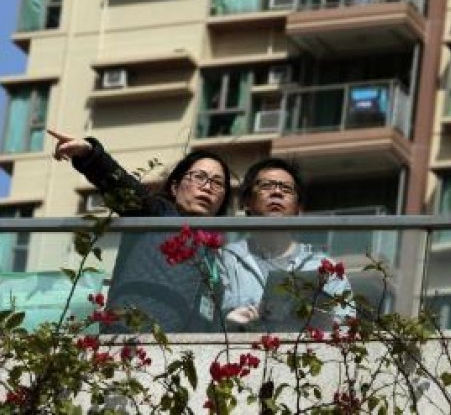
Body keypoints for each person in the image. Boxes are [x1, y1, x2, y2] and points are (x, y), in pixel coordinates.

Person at [49, 129, 233, 332]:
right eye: (200, 177)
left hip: (188, 353)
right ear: (174, 187)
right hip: (133, 340)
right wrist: (90, 155)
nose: (207, 187)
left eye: (217, 183)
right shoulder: (156, 215)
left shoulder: (215, 249)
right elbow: (125, 188)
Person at [220, 157, 355, 332]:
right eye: (266, 186)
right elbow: (207, 321)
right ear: (246, 202)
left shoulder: (326, 269)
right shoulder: (226, 260)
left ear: (299, 208)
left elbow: (347, 329)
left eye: (286, 188)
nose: (277, 192)